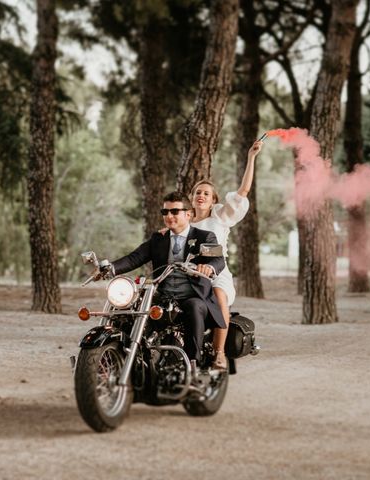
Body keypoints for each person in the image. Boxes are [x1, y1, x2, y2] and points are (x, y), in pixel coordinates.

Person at [110, 191, 225, 364]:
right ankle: (126, 356)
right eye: (165, 212)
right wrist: (109, 268)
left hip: (192, 295)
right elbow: (135, 257)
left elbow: (218, 259)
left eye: (174, 211)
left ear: (188, 214)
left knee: (194, 307)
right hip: (163, 296)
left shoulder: (203, 237)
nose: (169, 216)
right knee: (129, 307)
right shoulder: (159, 238)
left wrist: (208, 267)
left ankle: (193, 361)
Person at [190, 139, 263, 370]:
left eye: (206, 193)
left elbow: (243, 191)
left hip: (216, 272)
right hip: (189, 273)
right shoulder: (183, 221)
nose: (201, 195)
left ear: (214, 200)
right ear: (192, 197)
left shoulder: (220, 215)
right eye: (197, 192)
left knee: (220, 296)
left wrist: (251, 157)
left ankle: (219, 353)